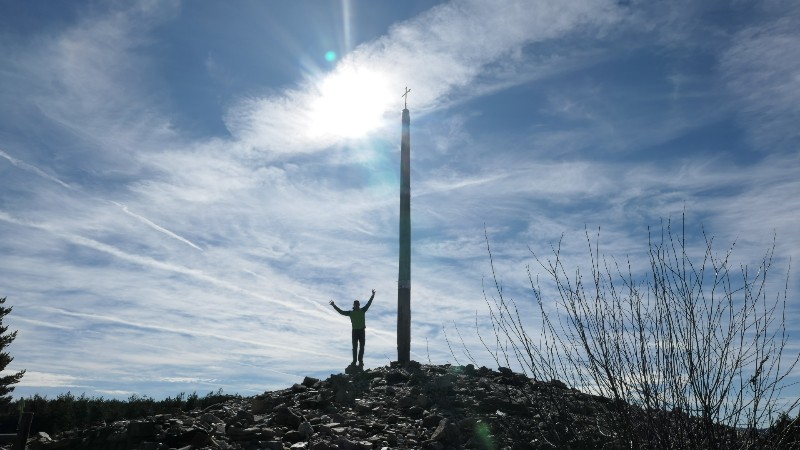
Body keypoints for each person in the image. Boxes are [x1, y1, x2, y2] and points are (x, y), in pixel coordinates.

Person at [330, 289, 375, 367]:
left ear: (359, 305)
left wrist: (372, 295)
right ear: (354, 305)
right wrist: (334, 305)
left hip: (361, 331)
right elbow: (341, 312)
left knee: (361, 347)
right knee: (354, 347)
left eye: (358, 304)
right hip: (355, 331)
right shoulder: (351, 313)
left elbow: (369, 303)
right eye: (356, 304)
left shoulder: (363, 310)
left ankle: (360, 361)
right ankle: (354, 361)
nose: (357, 306)